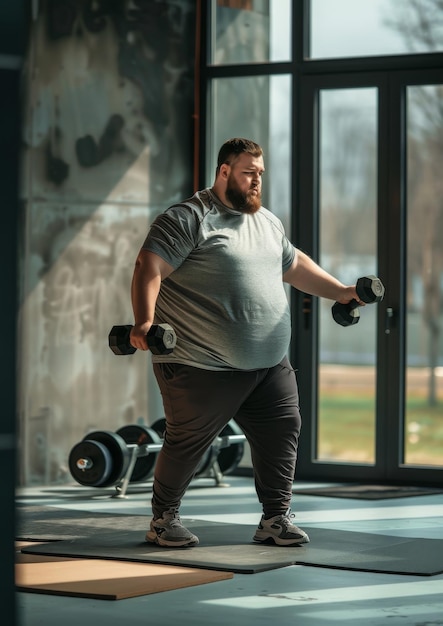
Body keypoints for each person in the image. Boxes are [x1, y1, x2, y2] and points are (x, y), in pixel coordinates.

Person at [129, 137, 364, 548]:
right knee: (187, 443)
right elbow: (148, 265)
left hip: (269, 364)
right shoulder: (189, 218)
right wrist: (144, 321)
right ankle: (163, 520)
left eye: (260, 174)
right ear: (224, 172)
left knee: (284, 430)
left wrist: (340, 291)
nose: (256, 182)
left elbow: (294, 265)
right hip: (200, 363)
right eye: (248, 173)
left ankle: (275, 518)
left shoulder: (267, 221)